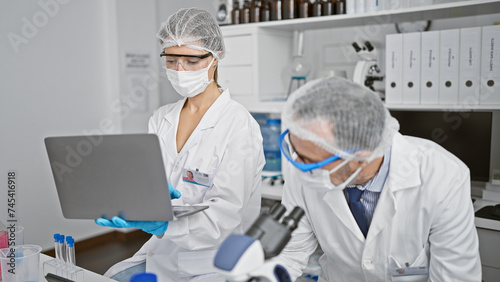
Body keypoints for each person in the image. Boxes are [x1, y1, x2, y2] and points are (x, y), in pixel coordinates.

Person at [95, 8, 265, 281]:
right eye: (172, 60)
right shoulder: (162, 118)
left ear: (216, 56)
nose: (180, 70)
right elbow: (151, 185)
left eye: (191, 60)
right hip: (161, 252)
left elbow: (224, 218)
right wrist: (130, 200)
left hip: (214, 263)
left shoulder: (238, 125)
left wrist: (163, 225)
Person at [276, 77, 481, 281]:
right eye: (294, 151)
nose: (299, 166)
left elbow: (454, 277)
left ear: (360, 156)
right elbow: (290, 254)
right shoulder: (304, 172)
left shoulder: (443, 177)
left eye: (311, 161)